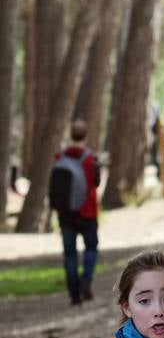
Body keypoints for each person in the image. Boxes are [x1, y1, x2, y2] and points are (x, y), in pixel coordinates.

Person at [52, 119, 100, 306]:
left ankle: (74, 294)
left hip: (65, 214)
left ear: (71, 135)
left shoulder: (60, 158)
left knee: (70, 253)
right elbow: (96, 183)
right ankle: (86, 281)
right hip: (87, 211)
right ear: (85, 136)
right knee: (91, 248)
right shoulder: (90, 159)